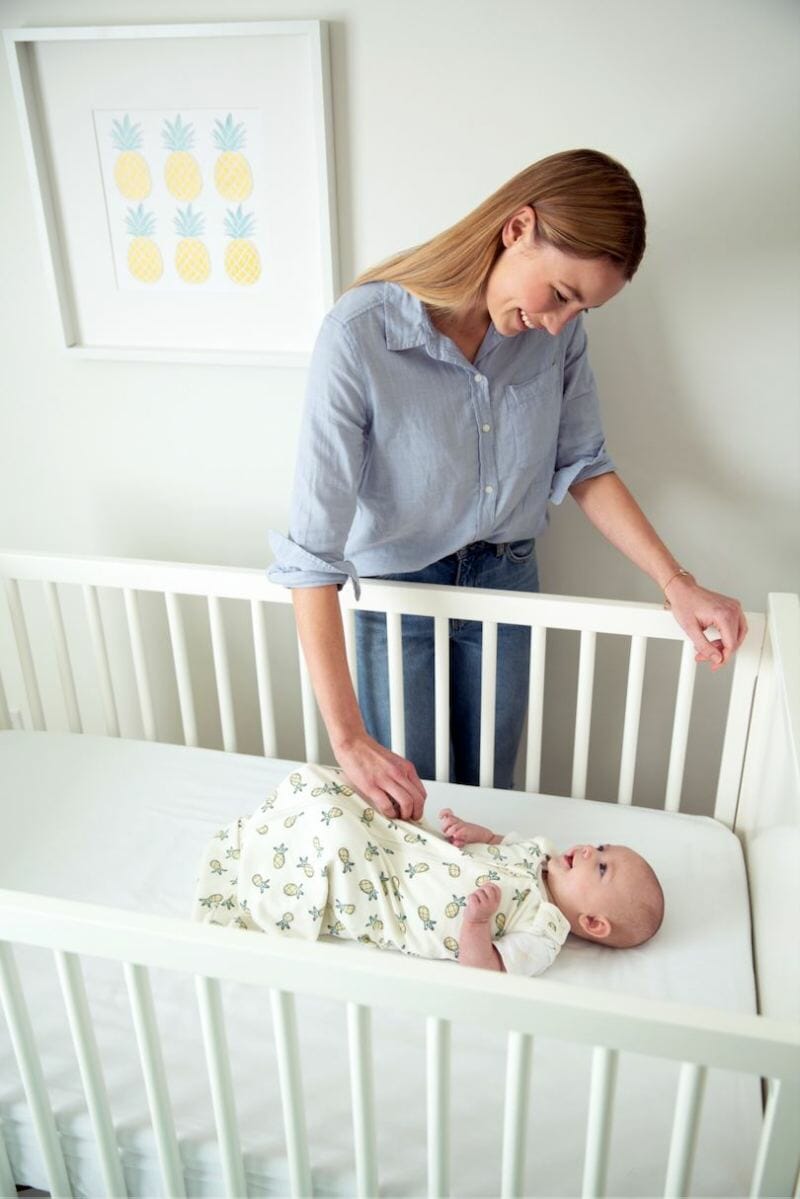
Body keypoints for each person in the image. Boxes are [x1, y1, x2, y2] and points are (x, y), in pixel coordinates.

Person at [268, 149, 747, 814]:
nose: (557, 323)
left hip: (506, 579)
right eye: (560, 294)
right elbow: (312, 552)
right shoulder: (361, 334)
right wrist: (347, 739)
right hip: (401, 588)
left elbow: (582, 463)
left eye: (581, 309)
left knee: (491, 797)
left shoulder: (556, 337)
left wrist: (676, 582)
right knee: (414, 802)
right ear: (517, 228)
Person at [192, 763, 664, 976]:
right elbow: (498, 843)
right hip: (412, 854)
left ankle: (265, 870)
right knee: (329, 788)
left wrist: (476, 924)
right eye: (600, 846)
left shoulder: (544, 931)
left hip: (398, 901)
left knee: (339, 837)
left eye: (600, 866)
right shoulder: (539, 855)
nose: (586, 850)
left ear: (594, 923)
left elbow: (485, 969)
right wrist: (472, 832)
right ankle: (275, 837)